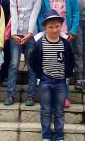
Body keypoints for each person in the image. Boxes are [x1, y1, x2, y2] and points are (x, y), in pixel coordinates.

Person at [37, 0, 80, 108]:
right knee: (49, 64)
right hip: (50, 35)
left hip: (66, 34)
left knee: (64, 65)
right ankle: (49, 95)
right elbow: (41, 14)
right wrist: (43, 30)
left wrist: (73, 30)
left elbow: (76, 11)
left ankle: (64, 95)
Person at [29, 9, 74, 141]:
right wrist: (40, 74)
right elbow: (32, 60)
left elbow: (71, 60)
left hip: (61, 82)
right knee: (46, 110)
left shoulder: (65, 44)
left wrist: (67, 74)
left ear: (61, 26)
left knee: (59, 111)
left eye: (57, 26)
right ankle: (46, 136)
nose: (54, 30)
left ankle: (59, 135)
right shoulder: (40, 44)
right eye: (51, 27)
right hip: (45, 81)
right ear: (45, 28)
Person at [5, 0, 42, 106]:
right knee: (14, 64)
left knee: (31, 64)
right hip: (16, 36)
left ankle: (31, 95)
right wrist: (14, 33)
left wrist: (30, 33)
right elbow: (14, 16)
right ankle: (10, 94)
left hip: (31, 36)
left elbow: (34, 16)